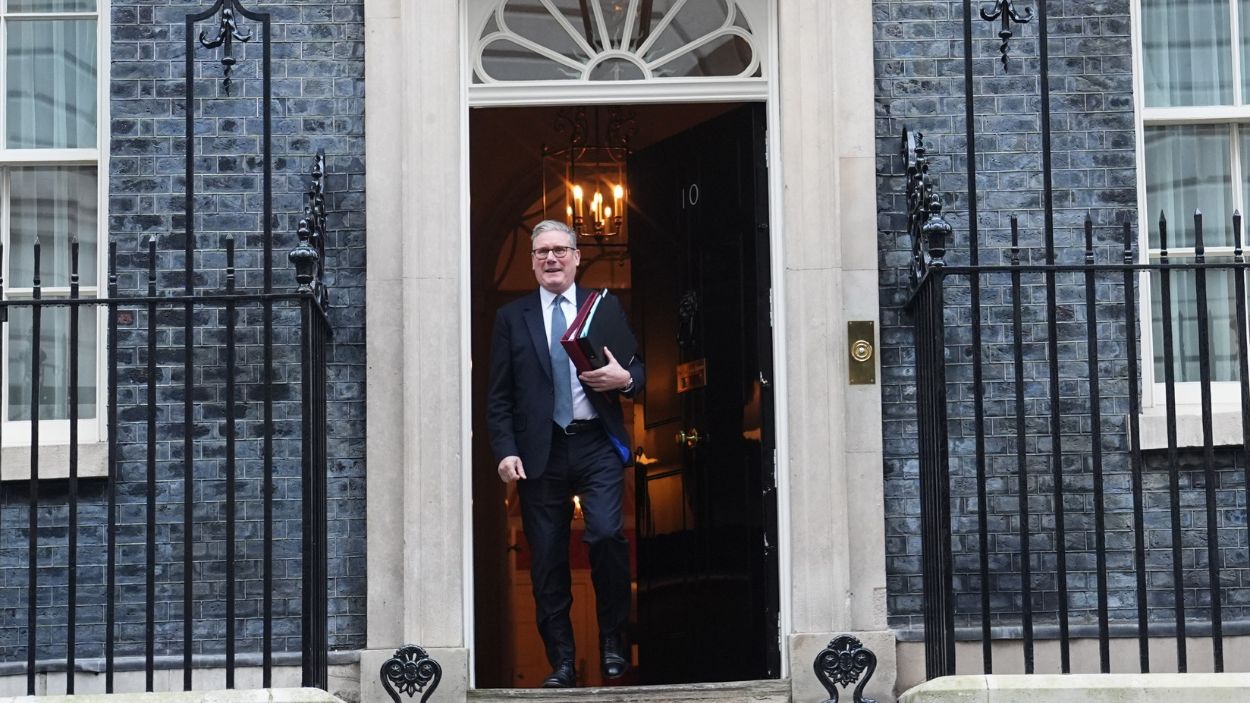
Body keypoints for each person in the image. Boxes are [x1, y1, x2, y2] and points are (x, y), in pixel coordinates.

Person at [487, 219, 643, 688]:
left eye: (559, 250)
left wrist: (626, 380)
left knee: (604, 535)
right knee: (549, 559)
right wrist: (504, 451)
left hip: (595, 443)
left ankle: (614, 640)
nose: (551, 259)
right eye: (541, 253)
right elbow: (499, 396)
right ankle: (562, 662)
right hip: (541, 452)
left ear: (577, 257)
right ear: (532, 261)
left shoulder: (604, 307)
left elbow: (638, 367)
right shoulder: (512, 318)